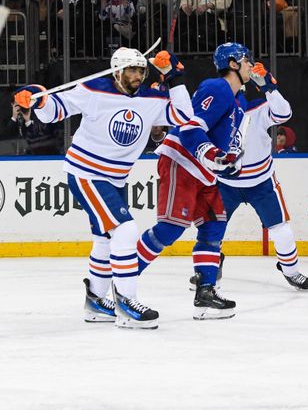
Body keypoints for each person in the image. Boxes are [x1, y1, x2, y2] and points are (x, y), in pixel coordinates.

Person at [13, 47, 193, 329]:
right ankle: (126, 302)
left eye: (141, 70)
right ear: (117, 71)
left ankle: (96, 301)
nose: (138, 75)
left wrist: (175, 77)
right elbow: (53, 112)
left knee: (106, 238)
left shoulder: (151, 97)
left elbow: (184, 116)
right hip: (86, 172)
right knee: (125, 229)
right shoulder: (93, 89)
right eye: (132, 70)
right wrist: (35, 97)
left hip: (116, 178)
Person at [136, 43, 253, 320]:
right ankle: (120, 280)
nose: (251, 65)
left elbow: (228, 143)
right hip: (182, 160)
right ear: (233, 63)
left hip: (204, 173)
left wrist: (229, 163)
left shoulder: (241, 100)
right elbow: (190, 125)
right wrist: (209, 152)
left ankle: (205, 293)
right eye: (247, 60)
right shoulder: (217, 87)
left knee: (214, 225)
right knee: (169, 229)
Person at [214, 61, 308, 291]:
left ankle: (291, 271)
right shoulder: (217, 112)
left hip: (261, 182)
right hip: (225, 183)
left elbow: (284, 113)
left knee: (282, 230)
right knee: (212, 230)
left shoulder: (257, 108)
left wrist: (270, 87)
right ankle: (209, 270)